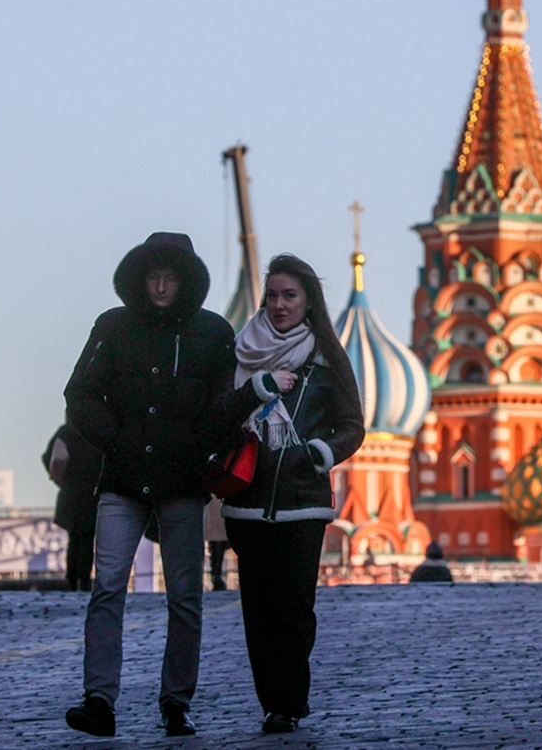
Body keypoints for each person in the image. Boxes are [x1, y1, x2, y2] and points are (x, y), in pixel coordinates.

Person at [63, 232, 238, 738]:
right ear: (140, 279)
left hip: (183, 484)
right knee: (107, 588)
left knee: (185, 595)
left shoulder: (211, 332)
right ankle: (99, 700)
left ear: (185, 281)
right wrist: (113, 440)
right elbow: (80, 394)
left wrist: (201, 448)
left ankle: (177, 702)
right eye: (153, 276)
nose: (161, 286)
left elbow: (221, 403)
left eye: (170, 277)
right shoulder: (113, 327)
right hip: (122, 480)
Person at [221, 253, 365, 734]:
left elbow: (353, 426)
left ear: (308, 301)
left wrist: (318, 452)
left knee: (294, 609)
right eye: (273, 296)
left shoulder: (327, 355)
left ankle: (290, 700)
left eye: (289, 295)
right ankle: (273, 704)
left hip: (303, 503)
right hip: (247, 501)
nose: (279, 306)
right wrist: (255, 389)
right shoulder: (243, 350)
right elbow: (218, 416)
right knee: (258, 610)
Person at [42, 423, 102, 591]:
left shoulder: (66, 432)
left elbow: (50, 458)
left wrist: (59, 479)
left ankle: (72, 578)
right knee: (88, 539)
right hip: (92, 493)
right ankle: (85, 579)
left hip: (71, 492)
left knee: (74, 539)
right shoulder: (95, 430)